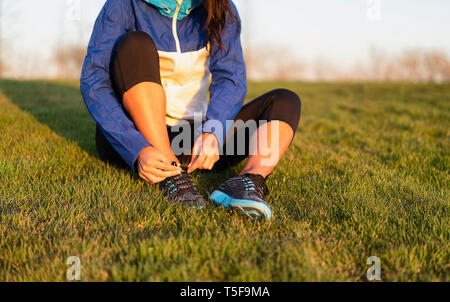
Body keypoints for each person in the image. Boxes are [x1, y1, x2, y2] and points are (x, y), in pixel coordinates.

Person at [80, 0, 301, 221]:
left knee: (285, 101)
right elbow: (94, 81)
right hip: (139, 139)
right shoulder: (123, 4)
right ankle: (171, 173)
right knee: (135, 44)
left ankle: (246, 183)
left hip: (191, 138)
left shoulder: (222, 7)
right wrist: (137, 148)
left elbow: (230, 78)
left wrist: (212, 131)